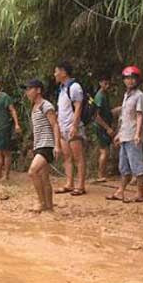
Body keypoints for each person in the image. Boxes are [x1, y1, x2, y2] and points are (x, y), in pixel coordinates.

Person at [106, 66, 143, 203]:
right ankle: (120, 191)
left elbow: (139, 116)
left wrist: (137, 134)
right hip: (125, 135)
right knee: (123, 166)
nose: (130, 81)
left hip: (133, 136)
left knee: (137, 166)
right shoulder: (126, 96)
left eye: (132, 78)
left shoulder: (139, 96)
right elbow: (124, 117)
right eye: (127, 78)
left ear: (137, 80)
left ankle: (139, 194)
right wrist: (119, 134)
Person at [23, 80, 61, 212]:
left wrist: (57, 145)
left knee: (32, 171)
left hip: (47, 144)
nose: (27, 92)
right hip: (39, 145)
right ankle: (49, 207)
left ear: (38, 90)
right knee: (44, 178)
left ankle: (41, 202)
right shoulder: (34, 107)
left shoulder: (46, 105)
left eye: (29, 89)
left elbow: (55, 125)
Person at [53, 61, 87, 196]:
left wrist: (74, 126)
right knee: (66, 156)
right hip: (63, 126)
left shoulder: (74, 87)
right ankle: (69, 183)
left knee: (78, 157)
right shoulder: (62, 89)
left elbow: (78, 107)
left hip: (73, 126)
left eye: (56, 71)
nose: (54, 74)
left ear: (63, 72)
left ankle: (81, 185)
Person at [93, 73, 115, 183]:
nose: (107, 85)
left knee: (106, 151)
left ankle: (103, 173)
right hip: (101, 127)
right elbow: (96, 116)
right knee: (104, 151)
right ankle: (101, 175)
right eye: (105, 83)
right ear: (100, 83)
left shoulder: (105, 95)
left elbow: (107, 112)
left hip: (105, 126)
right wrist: (107, 128)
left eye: (108, 83)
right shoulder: (100, 96)